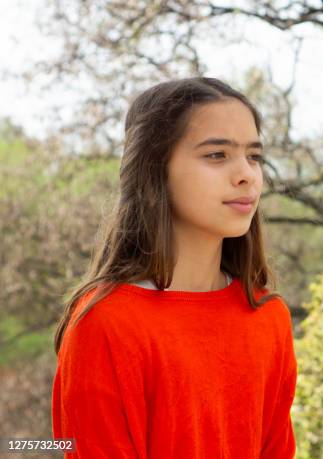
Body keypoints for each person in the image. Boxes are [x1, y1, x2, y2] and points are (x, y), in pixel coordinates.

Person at [51, 77, 297, 458]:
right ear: (155, 171)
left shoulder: (268, 317)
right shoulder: (106, 324)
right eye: (217, 155)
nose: (246, 174)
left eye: (254, 156)